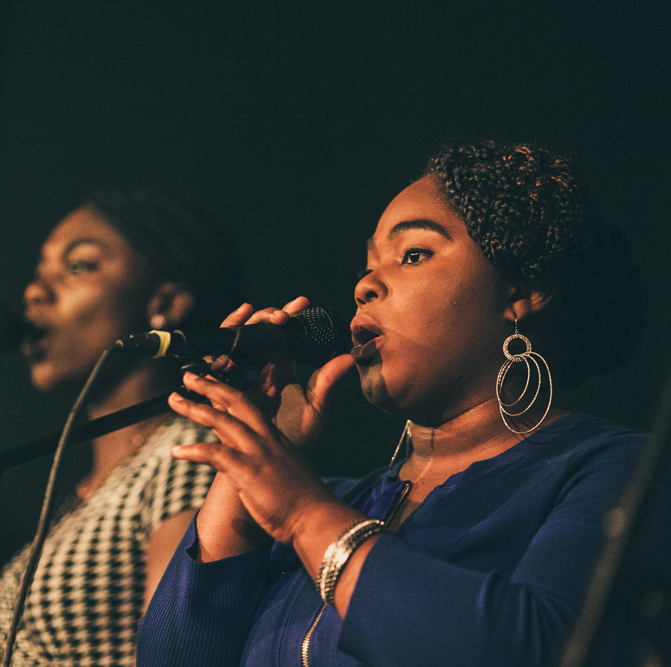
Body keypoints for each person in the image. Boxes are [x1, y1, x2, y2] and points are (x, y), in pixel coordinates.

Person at [137, 140, 651, 666]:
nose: (364, 285)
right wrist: (249, 461)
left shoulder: (618, 471)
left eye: (413, 255)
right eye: (366, 265)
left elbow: (541, 648)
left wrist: (303, 515)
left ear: (521, 288)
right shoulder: (346, 499)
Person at [0, 189, 245, 665]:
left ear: (165, 303)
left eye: (79, 266)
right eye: (39, 273)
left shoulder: (189, 450)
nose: (35, 291)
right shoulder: (86, 491)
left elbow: (179, 649)